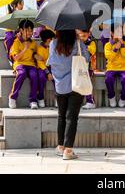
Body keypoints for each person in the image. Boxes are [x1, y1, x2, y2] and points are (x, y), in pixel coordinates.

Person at [47, 29, 89, 160]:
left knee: (61, 116)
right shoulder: (77, 43)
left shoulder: (53, 44)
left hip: (60, 85)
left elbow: (51, 62)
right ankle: (68, 150)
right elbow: (86, 58)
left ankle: (60, 147)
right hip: (75, 84)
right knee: (72, 118)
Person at [8, 20, 39, 109]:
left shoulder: (33, 43)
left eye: (31, 30)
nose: (30, 33)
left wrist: (37, 56)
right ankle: (12, 97)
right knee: (21, 74)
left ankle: (33, 100)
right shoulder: (16, 42)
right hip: (19, 64)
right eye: (27, 30)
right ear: (21, 30)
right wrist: (25, 49)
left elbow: (34, 54)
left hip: (31, 64)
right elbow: (15, 58)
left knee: (34, 75)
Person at [104, 25, 125, 108]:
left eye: (121, 32)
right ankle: (111, 97)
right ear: (111, 33)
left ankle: (123, 97)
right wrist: (115, 49)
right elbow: (109, 57)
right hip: (111, 67)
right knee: (108, 79)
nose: (119, 34)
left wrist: (122, 44)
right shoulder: (107, 45)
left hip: (123, 67)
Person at [34, 29, 56, 108]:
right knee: (41, 77)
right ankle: (40, 98)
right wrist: (48, 73)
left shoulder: (53, 47)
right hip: (42, 68)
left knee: (57, 77)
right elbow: (40, 63)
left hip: (52, 66)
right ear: (48, 40)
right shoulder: (40, 49)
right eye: (52, 39)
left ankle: (58, 98)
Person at [78, 29, 97, 110]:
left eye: (84, 36)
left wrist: (83, 46)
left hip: (89, 67)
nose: (83, 38)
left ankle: (90, 101)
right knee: (79, 83)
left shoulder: (91, 42)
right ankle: (79, 101)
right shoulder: (77, 42)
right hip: (79, 66)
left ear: (89, 34)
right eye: (81, 36)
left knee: (87, 83)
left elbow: (92, 51)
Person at [4, 0, 24, 64]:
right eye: (21, 4)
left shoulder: (22, 14)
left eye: (23, 4)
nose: (22, 6)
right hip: (10, 34)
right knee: (10, 40)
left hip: (19, 33)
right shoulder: (9, 15)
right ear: (15, 5)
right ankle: (12, 60)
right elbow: (9, 26)